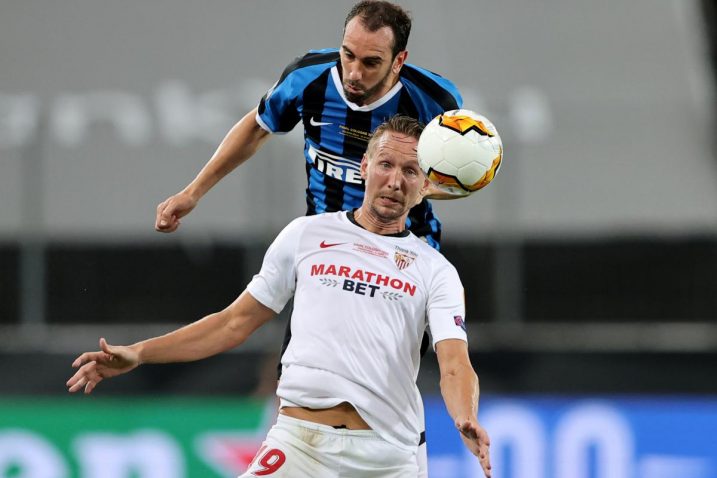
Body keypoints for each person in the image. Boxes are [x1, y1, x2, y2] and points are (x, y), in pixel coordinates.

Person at [68, 116, 492, 478]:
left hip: (387, 455)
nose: (394, 181)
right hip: (300, 446)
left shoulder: (435, 270)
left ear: (426, 186)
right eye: (385, 164)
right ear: (364, 166)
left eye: (410, 171)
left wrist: (464, 416)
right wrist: (139, 353)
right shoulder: (307, 235)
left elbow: (455, 364)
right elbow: (233, 323)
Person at [154, 2, 467, 474]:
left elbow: (455, 176)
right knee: (303, 379)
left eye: (371, 62)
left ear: (399, 61)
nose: (354, 72)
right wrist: (193, 192)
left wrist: (408, 189)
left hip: (404, 258)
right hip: (326, 255)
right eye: (348, 55)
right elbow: (256, 129)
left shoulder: (435, 101)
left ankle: (404, 460)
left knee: (386, 388)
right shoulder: (310, 78)